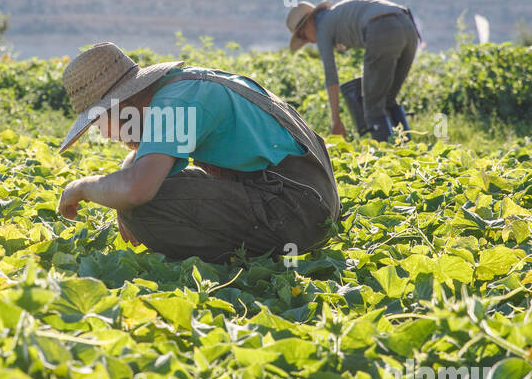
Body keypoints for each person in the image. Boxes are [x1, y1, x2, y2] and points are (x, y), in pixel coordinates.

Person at [55, 42, 341, 262]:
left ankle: (237, 266)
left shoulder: (177, 104)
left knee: (142, 209)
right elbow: (141, 167)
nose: (105, 134)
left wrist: (81, 187)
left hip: (295, 210)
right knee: (141, 190)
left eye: (101, 121)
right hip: (310, 204)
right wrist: (121, 193)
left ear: (123, 103)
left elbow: (137, 191)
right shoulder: (184, 88)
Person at [286, 0, 421, 142]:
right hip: (408, 25)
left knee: (372, 107)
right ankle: (407, 148)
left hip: (381, 27)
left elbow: (331, 77)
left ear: (309, 22)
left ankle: (386, 153)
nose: (308, 41)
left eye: (302, 35)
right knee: (388, 100)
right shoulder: (337, 15)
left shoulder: (322, 27)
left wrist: (336, 120)